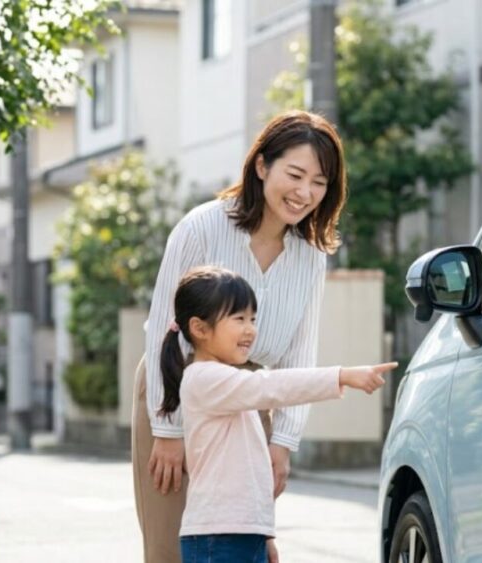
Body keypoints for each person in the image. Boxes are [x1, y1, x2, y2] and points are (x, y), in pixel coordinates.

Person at [132, 110, 348, 562]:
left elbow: (298, 357)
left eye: (320, 182)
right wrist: (167, 428)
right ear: (262, 166)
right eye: (295, 174)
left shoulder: (310, 257)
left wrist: (283, 442)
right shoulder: (202, 226)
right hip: (178, 390)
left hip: (249, 406)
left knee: (239, 548)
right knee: (167, 547)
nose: (305, 192)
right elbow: (160, 332)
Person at [159, 266, 394, 562]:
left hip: (242, 534)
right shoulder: (204, 379)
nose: (250, 329)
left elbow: (249, 474)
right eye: (239, 318)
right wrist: (342, 375)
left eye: (253, 319)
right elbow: (271, 385)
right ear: (200, 328)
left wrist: (264, 534)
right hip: (216, 539)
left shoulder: (230, 389)